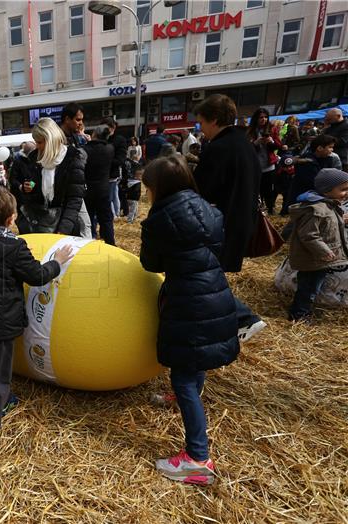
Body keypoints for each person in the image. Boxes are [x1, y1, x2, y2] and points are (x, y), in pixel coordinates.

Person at [140, 155, 239, 486]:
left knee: (183, 375)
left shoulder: (159, 219)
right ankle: (181, 400)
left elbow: (150, 264)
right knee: (194, 363)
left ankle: (198, 459)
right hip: (214, 291)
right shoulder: (208, 208)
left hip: (187, 298)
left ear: (158, 188)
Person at [0, 188, 73, 459]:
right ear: (12, 218)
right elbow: (36, 275)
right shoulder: (14, 247)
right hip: (1, 323)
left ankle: (5, 400)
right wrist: (57, 263)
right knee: (0, 378)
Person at [192, 94, 266, 340]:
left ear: (214, 120)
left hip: (221, 225)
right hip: (241, 221)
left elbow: (201, 189)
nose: (200, 128)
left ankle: (243, 317)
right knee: (210, 275)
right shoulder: (245, 144)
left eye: (201, 122)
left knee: (204, 278)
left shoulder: (219, 149)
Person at [286, 169, 348, 321]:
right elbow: (309, 235)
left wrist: (342, 219)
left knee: (313, 286)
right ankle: (299, 314)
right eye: (343, 189)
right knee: (308, 287)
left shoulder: (329, 205)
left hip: (319, 259)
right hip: (312, 258)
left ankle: (303, 309)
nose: (346, 193)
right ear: (327, 190)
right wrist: (323, 251)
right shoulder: (315, 210)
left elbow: (328, 224)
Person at [9, 117, 87, 235]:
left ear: (51, 140)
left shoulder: (72, 160)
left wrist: (64, 229)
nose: (38, 146)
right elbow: (34, 186)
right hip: (41, 225)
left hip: (65, 225)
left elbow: (74, 200)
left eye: (40, 142)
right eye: (36, 142)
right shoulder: (34, 159)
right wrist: (28, 188)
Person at [83, 125, 116, 245]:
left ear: (94, 134)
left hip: (88, 190)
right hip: (103, 189)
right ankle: (110, 244)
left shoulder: (84, 149)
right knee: (106, 219)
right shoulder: (110, 149)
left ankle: (89, 243)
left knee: (89, 219)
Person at [248, 108, 282, 213]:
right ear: (256, 119)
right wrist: (255, 143)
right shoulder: (250, 130)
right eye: (261, 117)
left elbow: (279, 145)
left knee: (269, 190)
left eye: (266, 117)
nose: (264, 119)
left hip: (269, 165)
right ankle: (258, 209)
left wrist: (271, 141)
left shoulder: (272, 129)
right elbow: (246, 148)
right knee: (256, 189)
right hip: (255, 166)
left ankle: (270, 208)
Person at [290, 134, 340, 202]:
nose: (332, 150)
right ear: (319, 148)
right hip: (303, 198)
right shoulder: (306, 162)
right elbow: (312, 183)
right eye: (330, 147)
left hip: (318, 196)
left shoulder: (328, 159)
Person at [103, 117, 127, 218]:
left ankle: (114, 214)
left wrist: (104, 161)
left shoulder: (119, 140)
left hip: (112, 174)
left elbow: (120, 160)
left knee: (111, 196)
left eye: (108, 127)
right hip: (102, 173)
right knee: (112, 195)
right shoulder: (102, 138)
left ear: (114, 127)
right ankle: (114, 214)